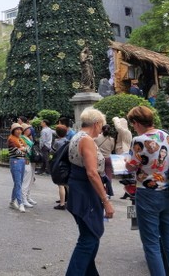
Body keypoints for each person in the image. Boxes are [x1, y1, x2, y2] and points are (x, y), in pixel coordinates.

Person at [126, 106, 169, 276]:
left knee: (151, 245)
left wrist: (125, 161)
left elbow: (131, 166)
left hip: (147, 193)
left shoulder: (139, 140)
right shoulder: (165, 135)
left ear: (136, 122)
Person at [65, 108, 114, 275]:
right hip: (86, 191)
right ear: (97, 123)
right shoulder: (86, 140)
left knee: (91, 235)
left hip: (80, 189)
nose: (102, 128)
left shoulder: (76, 136)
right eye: (102, 125)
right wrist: (106, 200)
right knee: (89, 238)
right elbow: (92, 173)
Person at [7, 123, 28, 212]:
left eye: (20, 129)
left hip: (21, 161)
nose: (19, 131)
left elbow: (27, 150)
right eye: (17, 129)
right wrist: (23, 149)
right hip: (15, 161)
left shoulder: (20, 140)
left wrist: (23, 149)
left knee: (18, 183)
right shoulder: (11, 140)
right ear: (13, 131)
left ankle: (12, 201)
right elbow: (17, 153)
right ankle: (20, 203)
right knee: (18, 183)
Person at [95, 124, 116, 198]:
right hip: (108, 158)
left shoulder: (97, 137)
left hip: (99, 159)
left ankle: (100, 191)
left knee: (99, 175)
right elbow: (112, 149)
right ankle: (108, 192)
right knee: (108, 175)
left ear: (102, 129)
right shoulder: (112, 139)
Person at [19, 123, 37, 207]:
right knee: (26, 180)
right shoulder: (22, 138)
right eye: (28, 129)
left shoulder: (28, 138)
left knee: (30, 180)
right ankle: (23, 198)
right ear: (24, 131)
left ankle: (28, 196)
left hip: (32, 160)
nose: (30, 130)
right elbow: (24, 150)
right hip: (27, 160)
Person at [52, 125, 69, 210]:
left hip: (59, 163)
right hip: (67, 164)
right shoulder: (68, 141)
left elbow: (52, 151)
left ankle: (62, 203)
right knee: (67, 184)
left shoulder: (57, 142)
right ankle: (68, 201)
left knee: (60, 185)